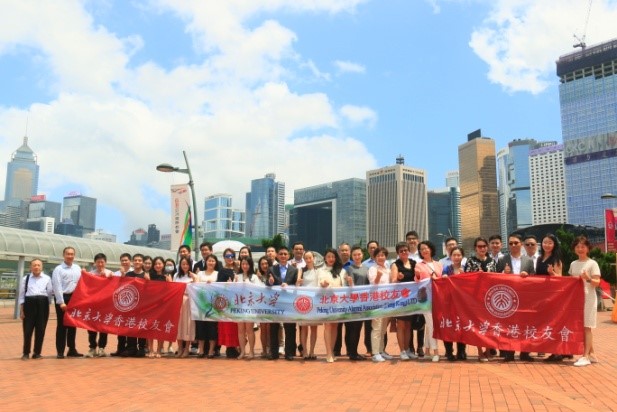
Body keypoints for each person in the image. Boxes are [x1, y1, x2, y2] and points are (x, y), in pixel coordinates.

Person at [496, 234, 535, 362]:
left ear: (521, 244)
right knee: (508, 326)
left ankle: (525, 352)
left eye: (516, 243)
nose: (513, 245)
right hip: (508, 298)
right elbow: (495, 278)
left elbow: (535, 279)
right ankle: (509, 352)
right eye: (511, 243)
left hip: (524, 298)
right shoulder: (502, 260)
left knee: (525, 325)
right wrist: (503, 273)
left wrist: (527, 275)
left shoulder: (528, 260)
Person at [569, 236, 601, 367]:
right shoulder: (573, 264)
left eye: (583, 246)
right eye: (577, 247)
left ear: (588, 248)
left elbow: (597, 283)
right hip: (577, 299)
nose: (580, 249)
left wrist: (588, 278)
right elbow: (571, 282)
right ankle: (592, 353)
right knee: (581, 326)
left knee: (587, 327)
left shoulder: (592, 263)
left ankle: (585, 356)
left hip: (589, 299)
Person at [464, 237, 497, 362]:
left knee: (488, 325)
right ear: (475, 248)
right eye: (479, 246)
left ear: (487, 247)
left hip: (489, 298)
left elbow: (496, 278)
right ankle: (479, 352)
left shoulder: (492, 261)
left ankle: (488, 350)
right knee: (477, 325)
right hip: (475, 298)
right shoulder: (471, 261)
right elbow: (465, 278)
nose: (482, 248)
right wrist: (476, 275)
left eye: (484, 246)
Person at [535, 234, 565, 363]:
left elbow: (560, 278)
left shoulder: (556, 259)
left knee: (554, 323)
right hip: (542, 296)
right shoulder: (539, 258)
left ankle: (557, 352)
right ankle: (552, 350)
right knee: (545, 324)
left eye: (550, 243)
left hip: (553, 296)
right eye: (545, 242)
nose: (547, 245)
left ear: (554, 245)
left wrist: (552, 273)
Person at [266, 246, 299, 360]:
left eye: (285, 254)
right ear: (277, 255)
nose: (283, 256)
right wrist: (270, 282)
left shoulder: (294, 270)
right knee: (274, 328)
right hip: (275, 302)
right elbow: (267, 284)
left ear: (289, 255)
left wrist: (289, 286)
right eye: (281, 254)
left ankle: (289, 353)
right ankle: (274, 353)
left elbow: (297, 286)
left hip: (289, 302)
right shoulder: (271, 269)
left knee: (290, 328)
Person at [52, 246, 83, 358]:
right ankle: (60, 351)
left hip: (74, 299)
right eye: (68, 254)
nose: (70, 256)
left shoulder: (77, 268)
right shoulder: (58, 269)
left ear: (74, 255)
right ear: (63, 255)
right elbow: (57, 286)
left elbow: (82, 283)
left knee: (73, 324)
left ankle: (72, 349)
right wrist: (61, 302)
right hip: (63, 298)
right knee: (62, 325)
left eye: (72, 254)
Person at [415, 240, 443, 362]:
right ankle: (435, 351)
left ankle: (427, 350)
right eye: (422, 249)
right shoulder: (419, 265)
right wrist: (417, 275)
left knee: (430, 324)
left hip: (438, 297)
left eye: (426, 248)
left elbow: (441, 279)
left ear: (431, 249)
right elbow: (417, 281)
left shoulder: (438, 264)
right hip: (425, 299)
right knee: (432, 324)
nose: (424, 250)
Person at [318, 248, 348, 363]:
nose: (331, 259)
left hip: (338, 302)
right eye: (329, 256)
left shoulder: (342, 271)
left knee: (335, 326)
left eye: (333, 257)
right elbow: (320, 283)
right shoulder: (321, 271)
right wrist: (324, 284)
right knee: (327, 326)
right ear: (325, 258)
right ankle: (328, 353)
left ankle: (332, 351)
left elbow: (344, 286)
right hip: (326, 301)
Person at [19, 258, 53, 360]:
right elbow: (21, 295)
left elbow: (49, 293)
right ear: (30, 267)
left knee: (41, 329)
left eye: (38, 265)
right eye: (34, 265)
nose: (36, 267)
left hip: (43, 304)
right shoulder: (26, 279)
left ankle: (37, 353)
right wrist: (22, 310)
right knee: (27, 330)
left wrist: (46, 304)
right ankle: (26, 353)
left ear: (42, 267)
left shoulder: (47, 278)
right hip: (29, 304)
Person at [389, 242, 416, 361]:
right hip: (400, 299)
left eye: (405, 250)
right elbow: (393, 282)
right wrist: (398, 278)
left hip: (412, 299)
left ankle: (408, 349)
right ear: (398, 253)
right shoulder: (395, 265)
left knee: (408, 325)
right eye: (401, 251)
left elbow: (418, 277)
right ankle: (402, 351)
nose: (404, 252)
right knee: (401, 325)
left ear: (409, 251)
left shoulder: (414, 263)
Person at [85, 253, 113, 358]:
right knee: (91, 327)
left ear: (105, 263)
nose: (100, 264)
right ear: (95, 263)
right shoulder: (90, 274)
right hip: (93, 305)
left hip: (105, 305)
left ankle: (102, 348)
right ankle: (92, 347)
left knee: (104, 327)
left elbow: (114, 287)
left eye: (102, 262)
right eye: (98, 262)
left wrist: (109, 279)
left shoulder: (110, 274)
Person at [343, 246, 369, 361]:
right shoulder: (349, 269)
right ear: (351, 256)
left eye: (359, 254)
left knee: (358, 328)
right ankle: (352, 352)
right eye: (354, 255)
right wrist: (350, 283)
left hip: (364, 302)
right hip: (353, 302)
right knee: (353, 328)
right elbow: (351, 285)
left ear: (362, 255)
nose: (357, 257)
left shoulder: (367, 268)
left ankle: (353, 351)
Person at [368, 247, 393, 362]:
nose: (380, 257)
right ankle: (375, 353)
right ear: (374, 257)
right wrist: (378, 276)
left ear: (386, 257)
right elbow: (373, 285)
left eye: (382, 255)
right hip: (376, 302)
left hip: (387, 303)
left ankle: (381, 350)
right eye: (378, 256)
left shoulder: (388, 269)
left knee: (383, 329)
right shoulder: (372, 269)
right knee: (376, 328)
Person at [442, 246, 467, 361]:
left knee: (461, 326)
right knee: (448, 325)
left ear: (462, 256)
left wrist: (464, 275)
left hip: (462, 303)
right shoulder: (446, 268)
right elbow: (441, 282)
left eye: (459, 255)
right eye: (454, 255)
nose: (456, 257)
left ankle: (461, 351)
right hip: (449, 302)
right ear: (450, 257)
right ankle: (449, 351)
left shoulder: (466, 268)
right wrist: (444, 277)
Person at [236, 256, 261, 359]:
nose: (245, 266)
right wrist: (231, 283)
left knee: (249, 329)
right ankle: (242, 351)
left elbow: (258, 290)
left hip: (250, 306)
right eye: (243, 264)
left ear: (250, 265)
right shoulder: (237, 276)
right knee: (240, 330)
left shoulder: (254, 277)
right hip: (239, 306)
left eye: (247, 264)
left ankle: (251, 351)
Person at [194, 254, 219, 358]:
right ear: (206, 262)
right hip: (201, 304)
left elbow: (220, 287)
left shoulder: (218, 274)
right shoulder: (200, 273)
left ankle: (211, 350)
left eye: (213, 261)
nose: (211, 263)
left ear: (216, 263)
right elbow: (195, 285)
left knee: (212, 327)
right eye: (209, 261)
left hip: (213, 305)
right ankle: (201, 349)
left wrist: (213, 284)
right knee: (200, 326)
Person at [218, 248, 240, 358]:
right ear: (224, 258)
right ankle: (230, 347)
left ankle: (239, 346)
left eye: (232, 256)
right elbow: (218, 286)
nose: (230, 258)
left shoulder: (238, 269)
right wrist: (227, 285)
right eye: (227, 256)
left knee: (238, 326)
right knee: (228, 325)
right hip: (227, 302)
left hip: (239, 301)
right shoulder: (222, 270)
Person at [297, 251, 320, 360]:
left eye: (310, 257)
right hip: (304, 302)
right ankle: (305, 351)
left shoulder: (318, 270)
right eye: (306, 258)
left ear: (313, 258)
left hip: (315, 302)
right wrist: (298, 282)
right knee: (304, 328)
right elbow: (297, 284)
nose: (308, 260)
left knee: (314, 328)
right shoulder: (301, 270)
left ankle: (312, 351)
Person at [147, 256, 171, 358]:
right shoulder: (149, 275)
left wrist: (170, 281)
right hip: (151, 305)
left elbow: (172, 289)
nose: (158, 265)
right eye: (156, 264)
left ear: (163, 265)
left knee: (160, 327)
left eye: (160, 263)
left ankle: (158, 350)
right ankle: (151, 350)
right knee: (151, 328)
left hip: (163, 305)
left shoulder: (167, 276)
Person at [173, 256, 197, 358]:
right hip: (178, 301)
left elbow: (198, 289)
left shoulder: (193, 276)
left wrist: (195, 279)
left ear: (190, 265)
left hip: (189, 301)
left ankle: (187, 348)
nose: (185, 266)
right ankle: (180, 348)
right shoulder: (176, 275)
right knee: (178, 325)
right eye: (183, 264)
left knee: (188, 325)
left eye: (187, 264)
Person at [110, 252, 132, 357]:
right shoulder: (115, 274)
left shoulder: (133, 272)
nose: (124, 262)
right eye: (122, 260)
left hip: (132, 304)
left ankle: (129, 348)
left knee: (130, 326)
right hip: (120, 304)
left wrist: (124, 276)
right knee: (120, 326)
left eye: (126, 260)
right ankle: (120, 348)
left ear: (130, 261)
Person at [333, 242, 352, 357]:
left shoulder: (354, 265)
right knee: (337, 327)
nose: (344, 252)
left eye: (346, 250)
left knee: (350, 327)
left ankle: (350, 350)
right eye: (342, 250)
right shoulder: (334, 266)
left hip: (351, 302)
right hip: (337, 302)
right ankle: (336, 350)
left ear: (350, 252)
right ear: (338, 252)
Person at [255, 256, 272, 357]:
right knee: (263, 329)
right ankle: (264, 350)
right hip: (261, 305)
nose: (264, 266)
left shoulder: (273, 274)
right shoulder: (256, 277)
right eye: (262, 264)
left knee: (269, 329)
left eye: (266, 264)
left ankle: (270, 349)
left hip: (271, 306)